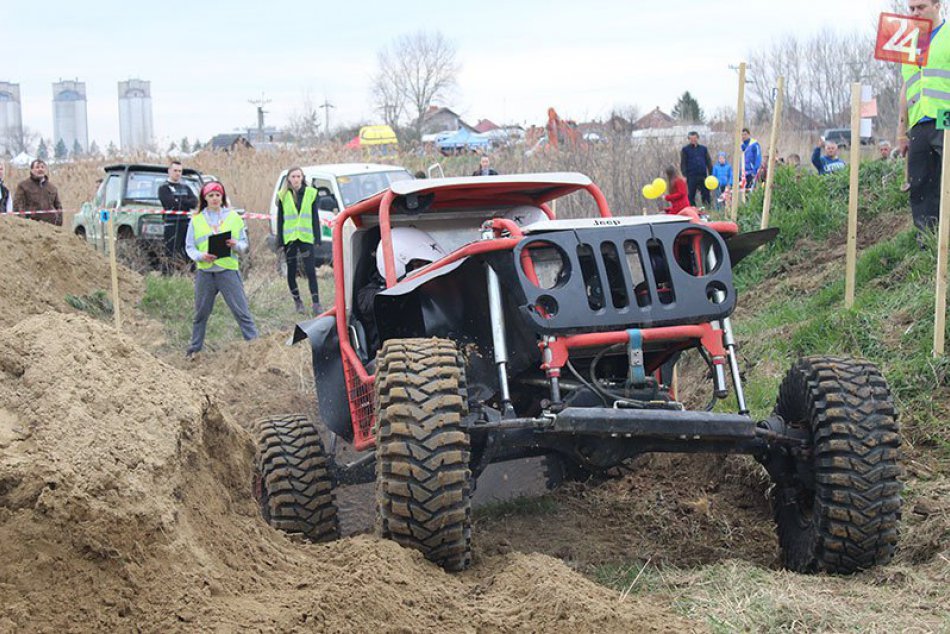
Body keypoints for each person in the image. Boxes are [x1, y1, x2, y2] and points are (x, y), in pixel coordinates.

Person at [184, 181, 258, 358]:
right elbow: (190, 247)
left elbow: (244, 244)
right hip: (205, 273)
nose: (215, 198)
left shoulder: (234, 217)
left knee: (241, 311)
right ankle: (194, 349)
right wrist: (202, 256)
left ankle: (256, 347)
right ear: (205, 198)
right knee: (201, 313)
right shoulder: (196, 220)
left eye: (218, 195)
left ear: (222, 197)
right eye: (211, 195)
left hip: (228, 271)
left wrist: (235, 245)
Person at [899, 0, 949, 235]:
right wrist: (901, 131)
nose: (915, 13)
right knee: (920, 183)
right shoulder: (909, 45)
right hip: (919, 122)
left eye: (921, 7)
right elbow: (905, 88)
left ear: (937, 5)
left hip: (945, 117)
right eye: (912, 9)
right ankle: (927, 240)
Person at [356, 227, 446, 354]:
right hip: (392, 363)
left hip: (437, 353)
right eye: (418, 265)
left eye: (427, 265)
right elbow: (388, 300)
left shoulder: (434, 290)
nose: (425, 270)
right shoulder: (369, 296)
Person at [276, 166, 322, 315]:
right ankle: (298, 301)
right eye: (293, 176)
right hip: (290, 238)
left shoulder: (311, 193)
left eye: (298, 176)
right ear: (288, 179)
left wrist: (318, 237)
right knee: (291, 271)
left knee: (310, 270)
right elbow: (280, 219)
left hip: (305, 237)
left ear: (302, 178)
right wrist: (280, 242)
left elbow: (315, 217)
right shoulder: (283, 195)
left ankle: (316, 302)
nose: (296, 179)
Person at [158, 160, 198, 271]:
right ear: (169, 171)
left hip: (185, 222)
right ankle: (168, 275)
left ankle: (190, 273)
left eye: (180, 171)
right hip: (171, 223)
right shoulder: (163, 188)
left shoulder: (185, 187)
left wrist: (180, 200)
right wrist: (185, 201)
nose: (178, 173)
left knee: (187, 250)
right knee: (171, 251)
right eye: (175, 170)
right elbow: (170, 204)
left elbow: (194, 202)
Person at [13, 159, 62, 225]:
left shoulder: (52, 187)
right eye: (37, 167)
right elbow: (18, 206)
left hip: (50, 226)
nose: (40, 169)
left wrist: (58, 223)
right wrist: (23, 223)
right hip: (32, 226)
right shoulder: (23, 186)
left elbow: (58, 207)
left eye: (42, 167)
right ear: (31, 170)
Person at [680, 131, 713, 206]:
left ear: (697, 138)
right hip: (691, 176)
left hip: (702, 175)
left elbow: (708, 162)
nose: (693, 140)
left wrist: (711, 174)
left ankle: (707, 208)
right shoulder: (685, 150)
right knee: (691, 195)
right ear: (689, 139)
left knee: (706, 193)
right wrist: (684, 175)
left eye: (694, 138)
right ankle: (693, 209)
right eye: (691, 139)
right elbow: (683, 163)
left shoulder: (703, 149)